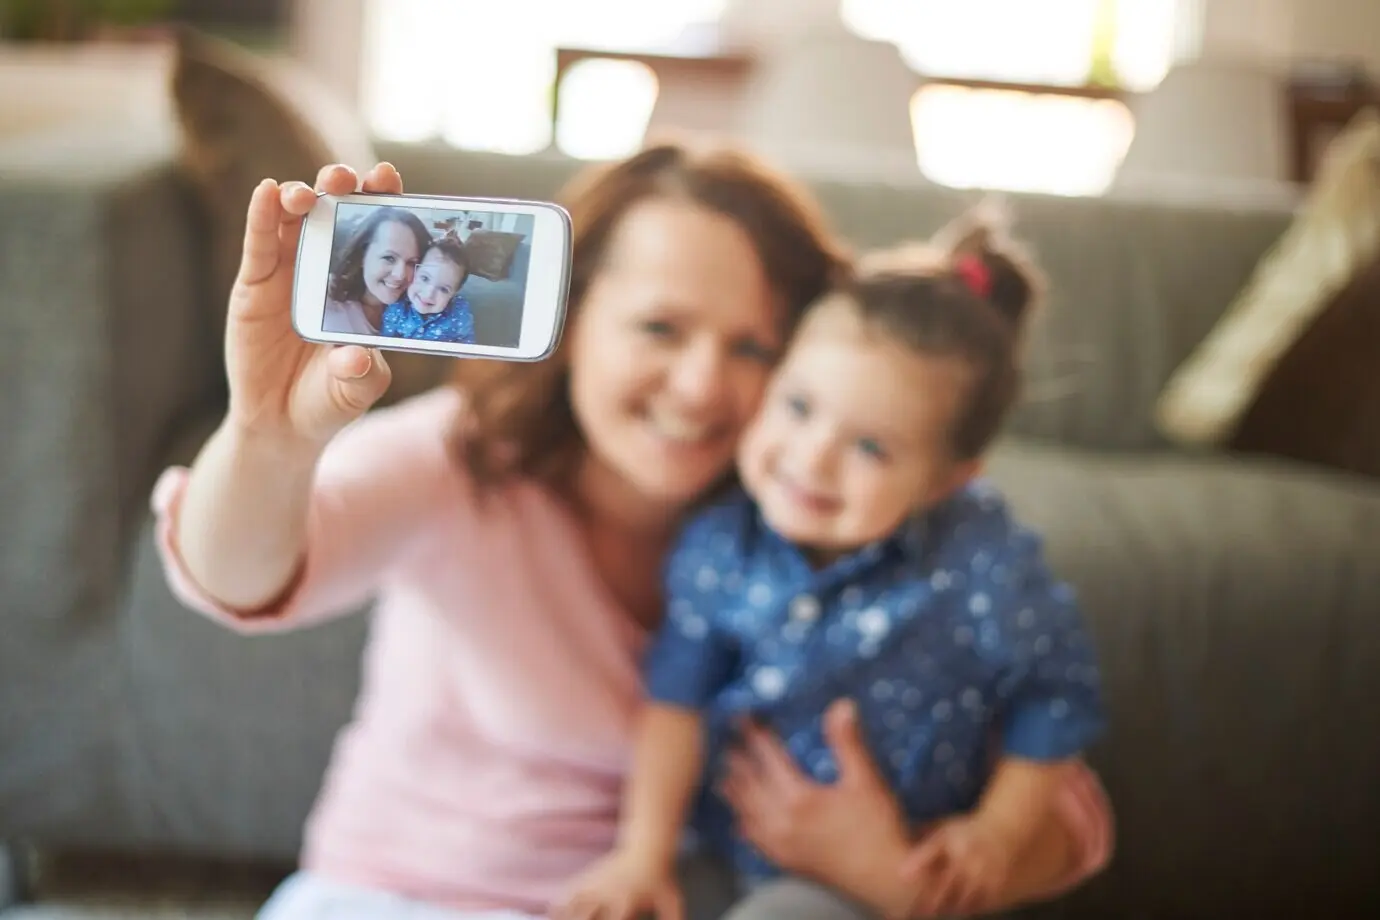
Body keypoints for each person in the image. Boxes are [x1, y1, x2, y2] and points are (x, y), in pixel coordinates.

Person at [152, 144, 1113, 920]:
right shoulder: (458, 460)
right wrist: (268, 439)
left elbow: (1068, 817)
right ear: (571, 322)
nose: (701, 388)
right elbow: (236, 576)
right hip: (402, 897)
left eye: (752, 348)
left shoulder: (817, 525)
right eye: (660, 328)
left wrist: (892, 872)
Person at [558, 210, 1106, 920]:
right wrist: (642, 854)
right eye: (798, 406)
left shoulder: (984, 567)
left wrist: (996, 834)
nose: (810, 458)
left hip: (871, 881)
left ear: (949, 480)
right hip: (724, 851)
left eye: (871, 448)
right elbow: (675, 706)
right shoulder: (723, 544)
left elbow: (1056, 699)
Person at [322, 205, 431, 334]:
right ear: (362, 255)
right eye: (389, 258)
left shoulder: (422, 311)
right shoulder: (325, 293)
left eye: (412, 263)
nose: (400, 275)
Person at [381, 231, 477, 344]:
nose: (429, 293)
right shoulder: (397, 308)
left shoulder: (459, 313)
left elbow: (467, 346)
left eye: (443, 289)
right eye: (425, 278)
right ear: (414, 271)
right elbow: (384, 343)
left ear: (454, 294)